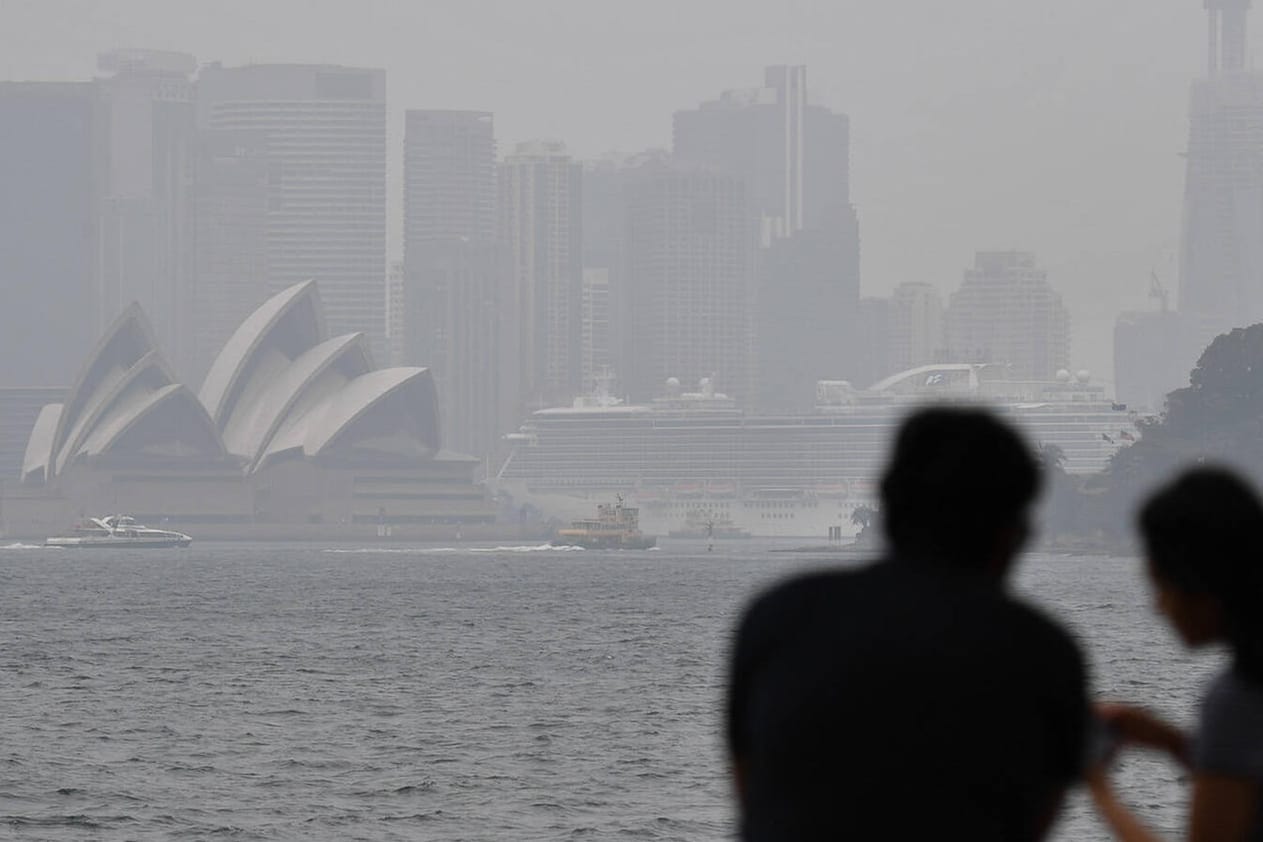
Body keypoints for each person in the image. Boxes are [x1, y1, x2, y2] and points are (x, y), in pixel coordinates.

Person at [726, 407, 1089, 841]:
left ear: (887, 503)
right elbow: (1036, 821)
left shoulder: (777, 617)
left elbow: (750, 785)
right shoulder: (1042, 651)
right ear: (1011, 532)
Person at [1089, 467, 1263, 842]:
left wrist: (1100, 790)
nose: (1158, 607)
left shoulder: (1237, 698)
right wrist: (1177, 745)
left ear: (1199, 584)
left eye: (1161, 586)